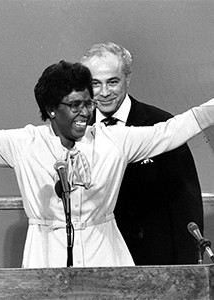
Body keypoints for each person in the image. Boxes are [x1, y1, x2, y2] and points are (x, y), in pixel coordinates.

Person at [0, 60, 213, 269]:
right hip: (46, 255)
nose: (85, 113)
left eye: (88, 103)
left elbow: (170, 131)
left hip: (105, 255)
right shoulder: (25, 143)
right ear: (50, 109)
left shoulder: (114, 141)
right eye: (74, 106)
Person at [80, 42, 204, 265]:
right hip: (97, 257)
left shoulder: (162, 125)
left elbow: (186, 204)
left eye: (113, 82)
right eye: (95, 84)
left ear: (127, 79)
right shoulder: (76, 130)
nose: (104, 92)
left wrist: (186, 267)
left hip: (153, 259)